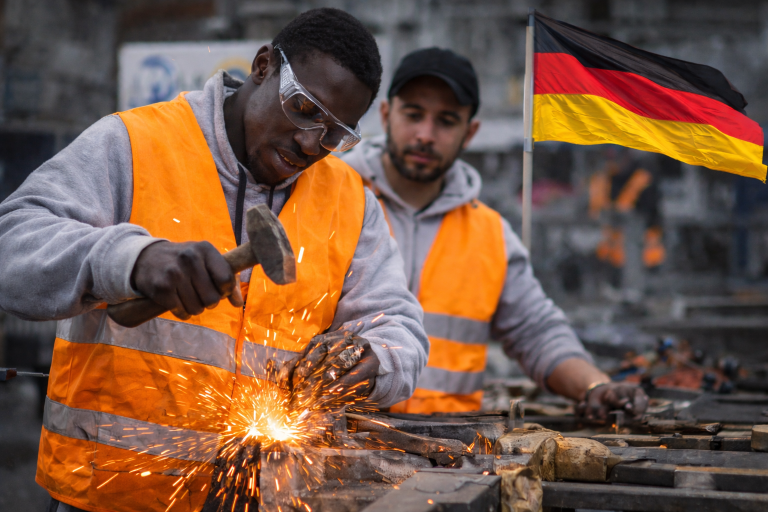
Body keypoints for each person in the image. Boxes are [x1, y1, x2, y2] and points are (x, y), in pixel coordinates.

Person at [0, 9, 427, 512]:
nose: (312, 144)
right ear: (263, 66)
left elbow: (399, 326)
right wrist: (130, 259)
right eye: (304, 108)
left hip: (266, 499)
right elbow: (13, 242)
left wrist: (374, 361)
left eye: (336, 134)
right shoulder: (135, 143)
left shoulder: (352, 201)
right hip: (108, 494)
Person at [342, 47, 648, 418]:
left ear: (469, 132)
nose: (425, 134)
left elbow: (537, 332)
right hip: (328, 433)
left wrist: (595, 386)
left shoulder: (490, 236)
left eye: (446, 120)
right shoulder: (334, 200)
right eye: (413, 114)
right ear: (387, 115)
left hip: (446, 449)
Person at [590, 147, 665, 277]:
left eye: (617, 158)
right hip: (612, 257)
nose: (614, 163)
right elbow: (596, 211)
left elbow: (648, 211)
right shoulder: (606, 177)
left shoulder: (643, 176)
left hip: (644, 252)